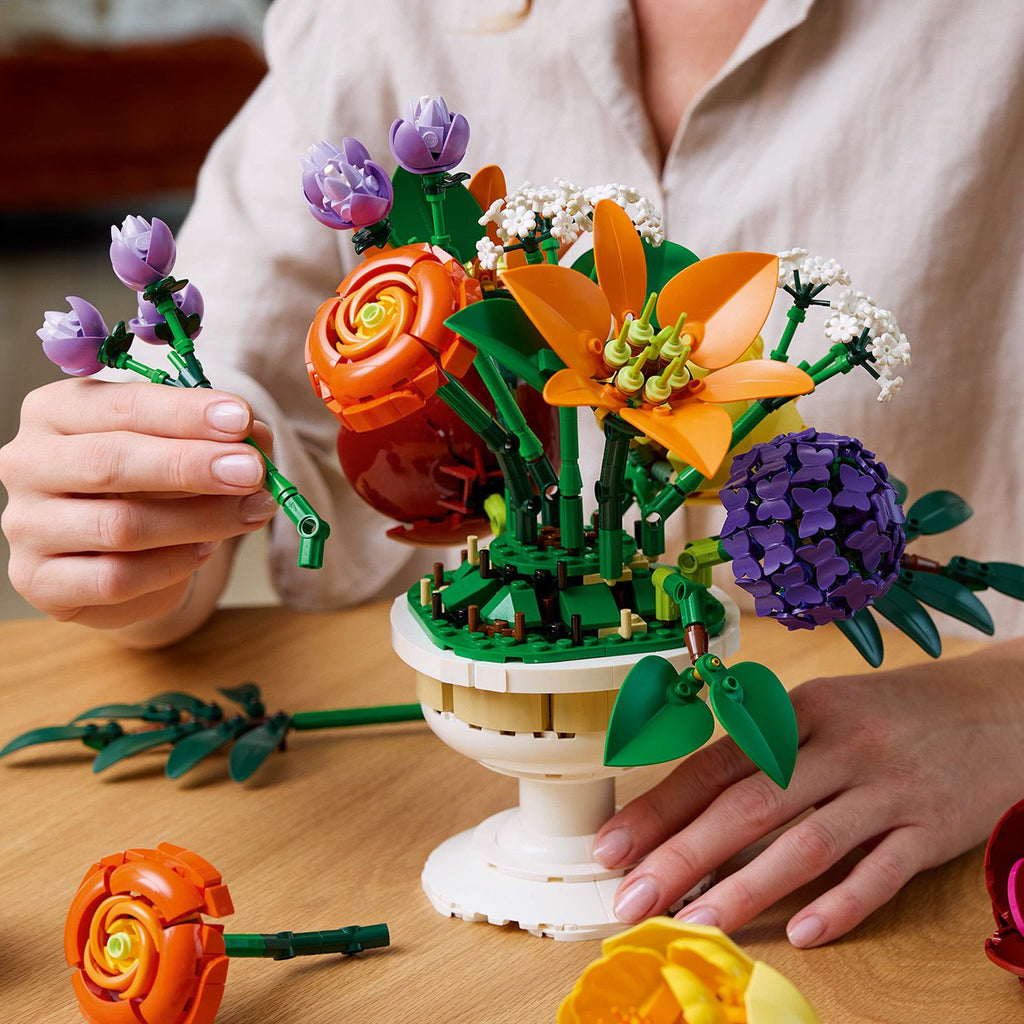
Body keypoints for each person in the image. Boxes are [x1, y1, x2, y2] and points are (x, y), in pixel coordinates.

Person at [2, 0, 1023, 947]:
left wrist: (1007, 703)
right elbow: (228, 400)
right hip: (399, 826)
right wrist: (138, 520)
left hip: (908, 872)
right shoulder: (375, 21)